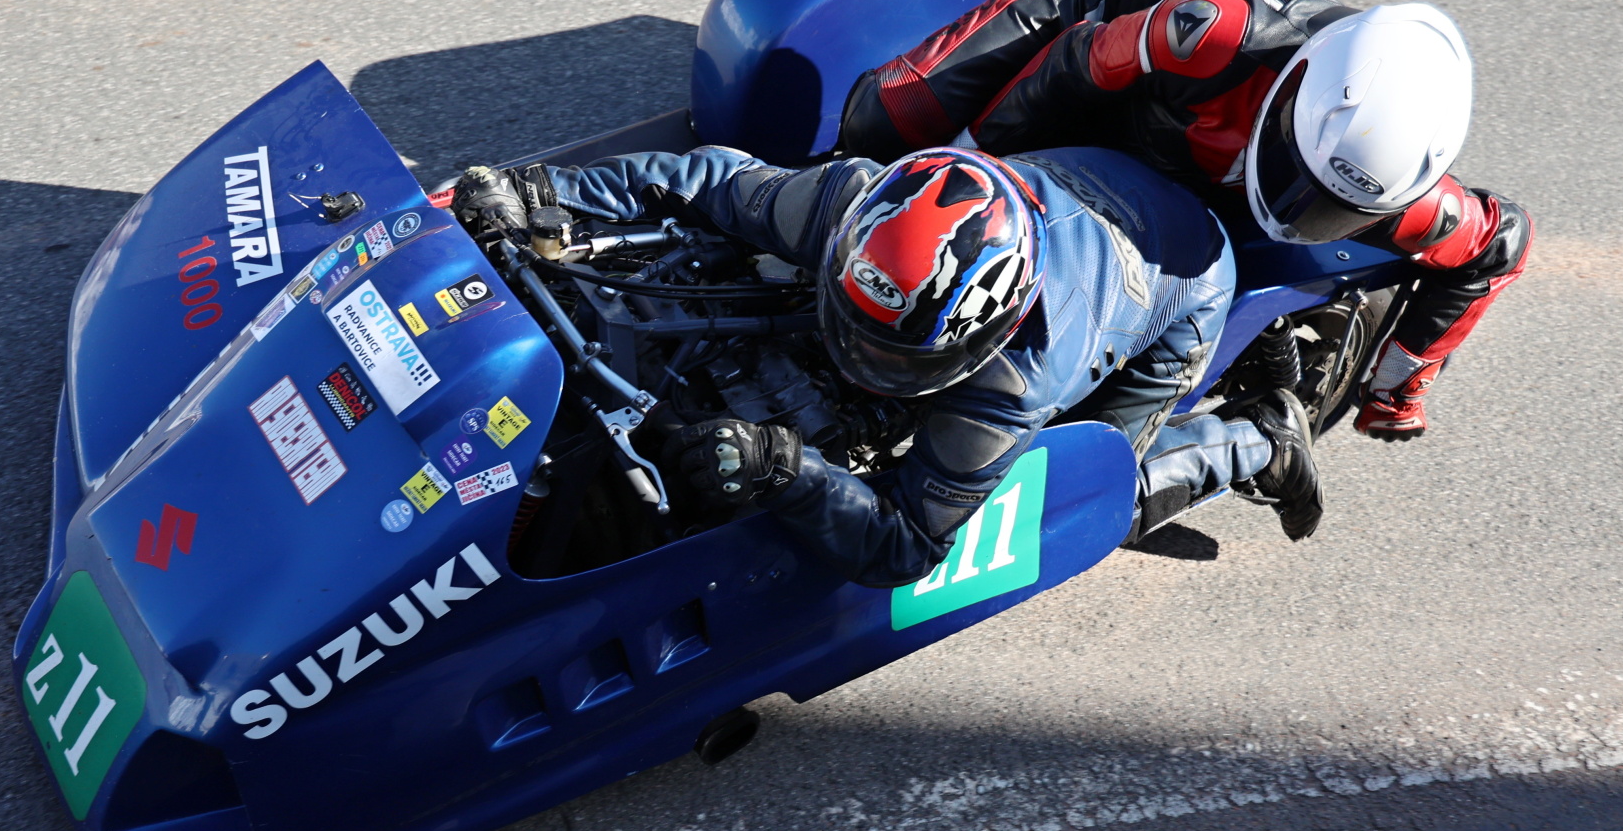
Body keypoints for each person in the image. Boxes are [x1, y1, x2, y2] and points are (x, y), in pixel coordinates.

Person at [454, 144, 1320, 589]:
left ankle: (1258, 438)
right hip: (1067, 181)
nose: (857, 359)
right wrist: (546, 192)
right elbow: (706, 180)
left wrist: (787, 468)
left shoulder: (1013, 379)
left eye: (886, 352)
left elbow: (905, 546)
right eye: (857, 329)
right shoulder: (850, 203)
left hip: (1181, 277)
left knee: (1075, 502)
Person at [838, 0, 1532, 441]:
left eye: (1336, 208)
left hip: (1184, 152)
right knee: (887, 117)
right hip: (1103, 34)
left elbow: (1501, 247)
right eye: (1305, 180)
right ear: (1296, 97)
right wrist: (966, 174)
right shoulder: (1208, 37)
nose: (1305, 211)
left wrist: (1398, 389)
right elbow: (1067, 69)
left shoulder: (1409, 194)